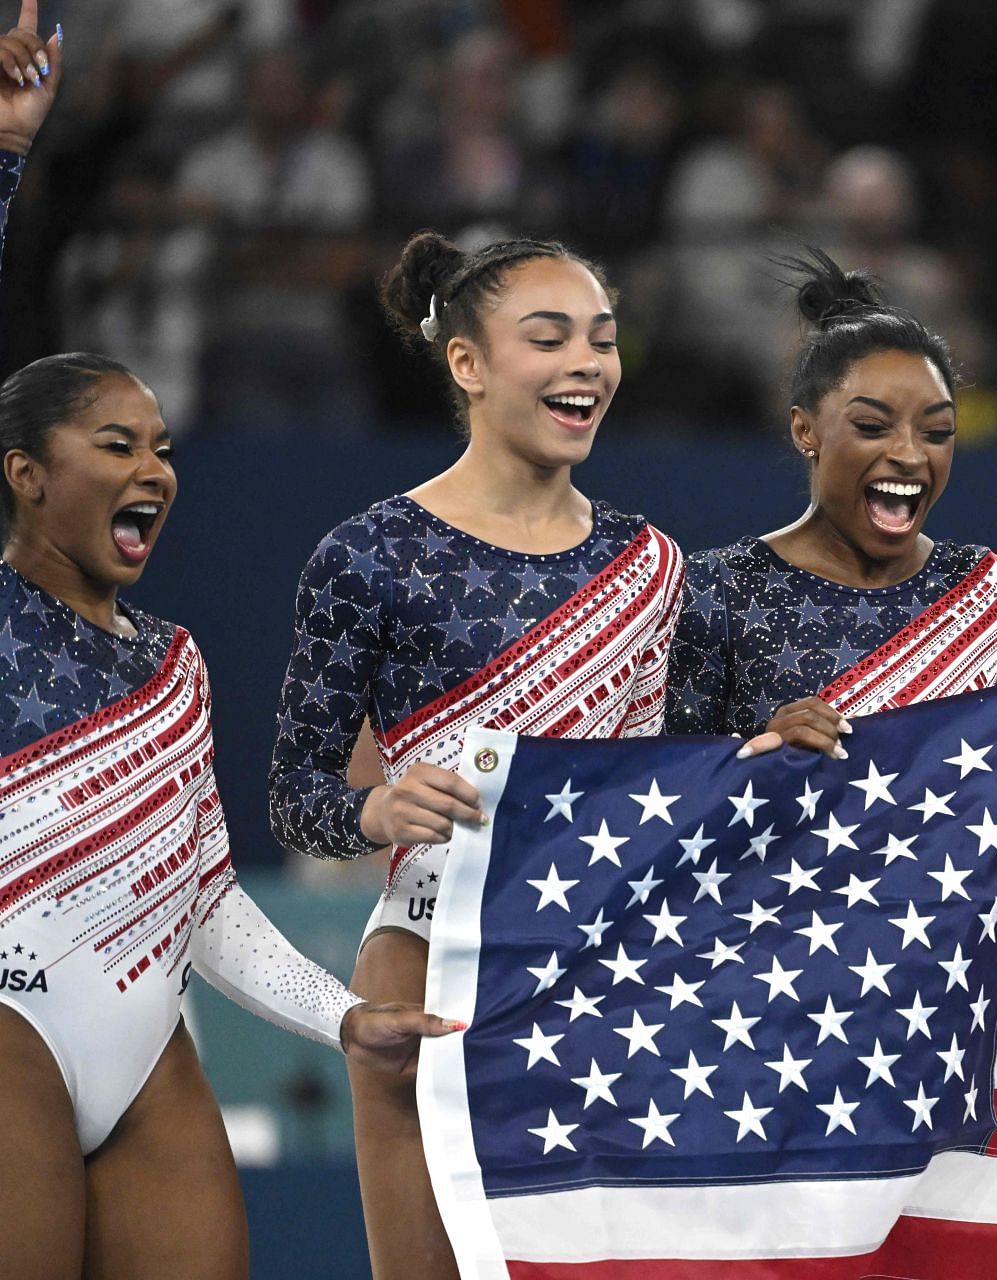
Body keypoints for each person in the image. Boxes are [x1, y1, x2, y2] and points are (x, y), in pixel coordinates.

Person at [0, 13, 455, 1276]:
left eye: (160, 445)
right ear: (27, 476)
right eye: (115, 445)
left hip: (148, 1045)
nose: (155, 467)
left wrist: (342, 1013)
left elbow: (203, 895)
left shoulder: (175, 662)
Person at [267, 230, 683, 1279]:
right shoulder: (369, 554)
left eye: (602, 337)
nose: (587, 362)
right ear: (468, 362)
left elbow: (677, 783)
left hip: (606, 975)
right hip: (431, 966)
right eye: (548, 338)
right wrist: (374, 810)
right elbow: (296, 794)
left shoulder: (648, 564)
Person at [667, 247, 997, 754]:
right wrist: (757, 759)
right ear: (805, 430)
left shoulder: (995, 597)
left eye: (937, 432)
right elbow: (658, 798)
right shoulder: (714, 593)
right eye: (872, 427)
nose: (911, 454)